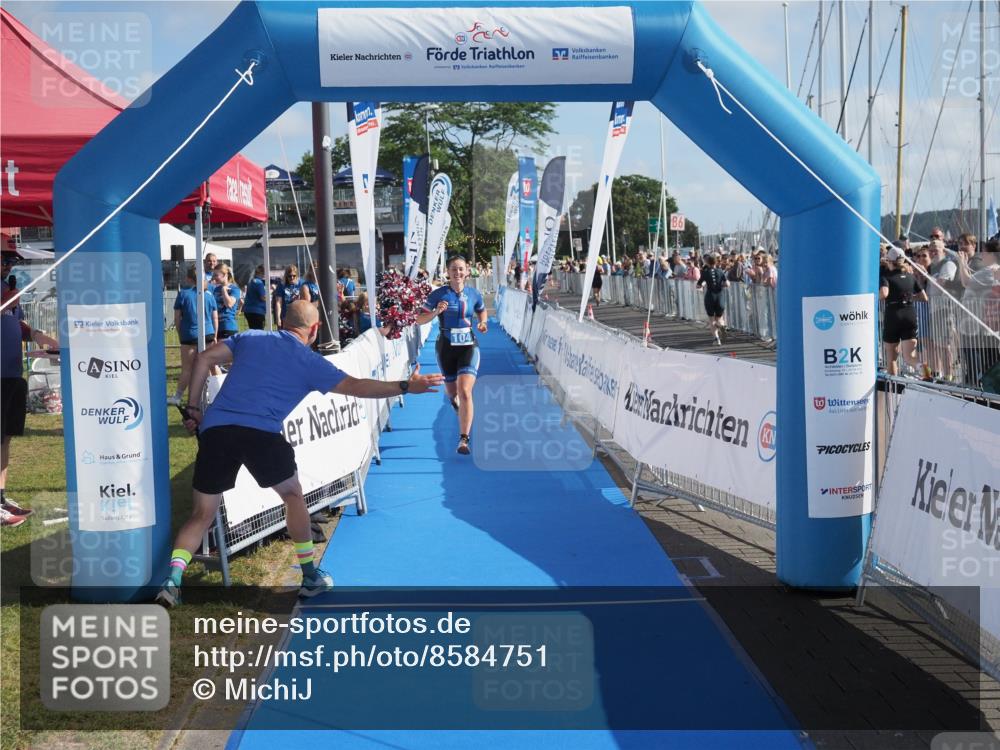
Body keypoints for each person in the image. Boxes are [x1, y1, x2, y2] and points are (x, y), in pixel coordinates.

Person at [155, 301, 443, 606]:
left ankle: (172, 581)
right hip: (261, 434)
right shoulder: (309, 361)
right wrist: (405, 386)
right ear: (315, 330)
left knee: (202, 514)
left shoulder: (251, 337)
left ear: (282, 320)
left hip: (217, 431)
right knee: (293, 496)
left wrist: (193, 407)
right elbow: (358, 387)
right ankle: (309, 576)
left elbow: (203, 358)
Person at [415, 255, 487, 455]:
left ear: (467, 271)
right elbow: (419, 319)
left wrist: (483, 323)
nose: (457, 273)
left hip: (469, 346)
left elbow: (482, 311)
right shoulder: (438, 294)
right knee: (453, 394)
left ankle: (464, 439)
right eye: (453, 269)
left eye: (461, 269)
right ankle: (458, 406)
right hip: (446, 347)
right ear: (447, 272)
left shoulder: (473, 293)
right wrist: (436, 312)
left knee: (465, 391)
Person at [1, 303, 59, 526]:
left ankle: (1, 498)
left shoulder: (9, 290)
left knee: (4, 440)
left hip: (12, 376)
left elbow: (16, 323)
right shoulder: (7, 294)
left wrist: (37, 335)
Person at [168, 266, 218, 406]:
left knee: (187, 368)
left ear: (189, 279)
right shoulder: (209, 295)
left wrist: (180, 333)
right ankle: (215, 394)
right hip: (208, 334)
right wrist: (215, 335)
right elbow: (215, 317)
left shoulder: (183, 294)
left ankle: (178, 397)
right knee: (210, 366)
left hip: (189, 335)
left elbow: (177, 318)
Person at [880, 246, 929, 377]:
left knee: (892, 357)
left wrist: (873, 297)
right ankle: (925, 372)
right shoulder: (910, 277)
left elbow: (884, 293)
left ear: (889, 261)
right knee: (909, 357)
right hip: (909, 314)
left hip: (893, 315)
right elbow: (924, 297)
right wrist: (909, 298)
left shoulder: (887, 277)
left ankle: (894, 386)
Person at [697, 254, 729, 345]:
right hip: (720, 296)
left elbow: (698, 285)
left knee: (711, 319)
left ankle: (716, 339)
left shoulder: (705, 272)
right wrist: (721, 285)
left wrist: (702, 285)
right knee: (719, 318)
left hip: (710, 297)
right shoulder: (720, 271)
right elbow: (727, 284)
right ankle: (721, 325)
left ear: (707, 262)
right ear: (716, 262)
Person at [211, 264, 241, 341]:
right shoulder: (216, 289)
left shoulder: (234, 289)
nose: (214, 277)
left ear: (225, 275)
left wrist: (224, 291)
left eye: (216, 275)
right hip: (216, 327)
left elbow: (229, 304)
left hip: (227, 327)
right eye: (213, 275)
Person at [243, 265, 268, 330]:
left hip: (248, 310)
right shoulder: (259, 283)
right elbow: (263, 297)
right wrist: (270, 294)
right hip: (257, 311)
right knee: (259, 332)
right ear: (262, 273)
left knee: (252, 331)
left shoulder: (251, 281)